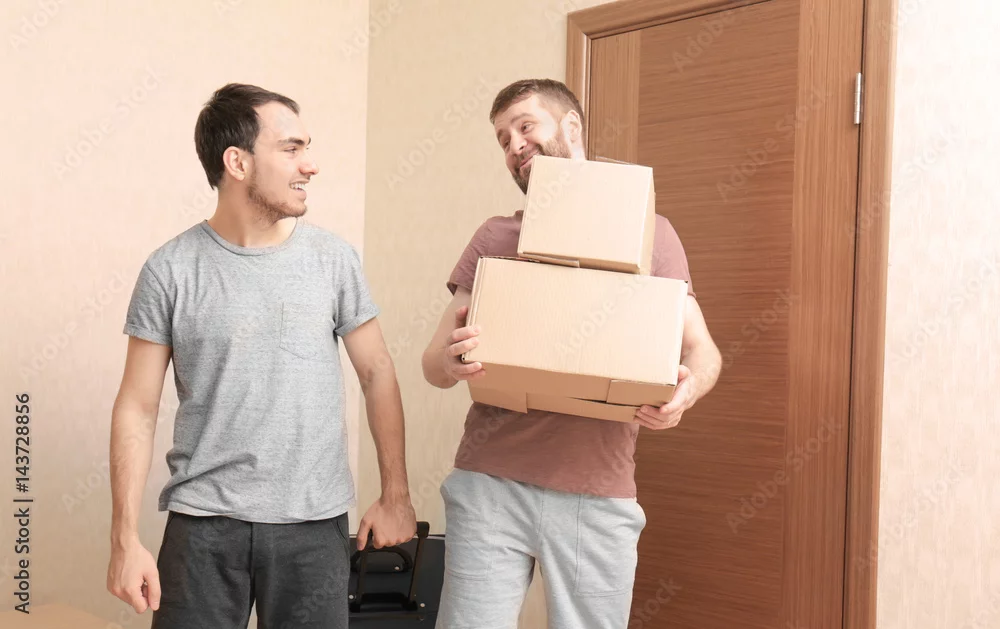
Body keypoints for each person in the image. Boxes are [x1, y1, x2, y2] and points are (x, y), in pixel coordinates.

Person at [106, 83, 416, 629]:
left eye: (306, 149)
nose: (310, 165)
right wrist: (124, 539)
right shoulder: (169, 270)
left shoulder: (333, 260)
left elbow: (377, 373)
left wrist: (396, 496)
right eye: (291, 149)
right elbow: (137, 406)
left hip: (314, 529)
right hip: (202, 527)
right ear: (238, 162)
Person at [421, 78, 722, 628]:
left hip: (597, 493)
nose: (514, 145)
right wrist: (450, 361)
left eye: (525, 127)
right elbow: (433, 366)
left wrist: (685, 394)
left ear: (572, 127)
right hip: (490, 485)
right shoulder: (494, 237)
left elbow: (703, 352)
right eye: (503, 139)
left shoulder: (650, 233)